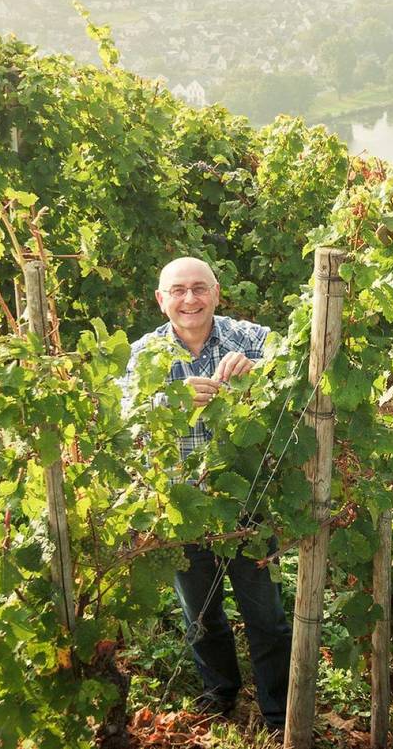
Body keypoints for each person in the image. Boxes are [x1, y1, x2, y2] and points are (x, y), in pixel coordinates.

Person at [121, 256, 292, 731]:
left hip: (249, 506)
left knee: (268, 619)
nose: (189, 299)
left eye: (199, 288)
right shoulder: (145, 355)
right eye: (178, 290)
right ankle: (219, 700)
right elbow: (124, 420)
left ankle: (280, 715)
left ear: (217, 293)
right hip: (181, 506)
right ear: (161, 300)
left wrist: (260, 375)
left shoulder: (251, 339)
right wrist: (165, 402)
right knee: (200, 617)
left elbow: (301, 373)